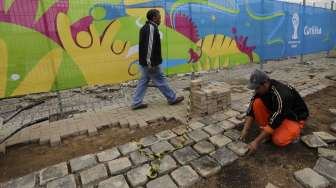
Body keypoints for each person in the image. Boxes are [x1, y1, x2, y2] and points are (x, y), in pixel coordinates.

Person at [240, 69, 309, 153]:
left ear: (265, 84)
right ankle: (266, 134)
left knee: (278, 140)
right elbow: (251, 110)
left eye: (257, 88)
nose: (255, 91)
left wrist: (255, 142)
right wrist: (245, 129)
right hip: (279, 112)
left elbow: (275, 121)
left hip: (293, 117)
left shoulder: (282, 95)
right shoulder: (261, 90)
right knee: (256, 103)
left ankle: (295, 133)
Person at [132, 9, 184, 110]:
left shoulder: (145, 27)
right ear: (154, 17)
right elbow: (149, 47)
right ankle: (172, 98)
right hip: (151, 63)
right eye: (159, 17)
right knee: (160, 80)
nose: (161, 19)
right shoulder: (151, 28)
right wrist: (149, 63)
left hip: (145, 61)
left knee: (143, 81)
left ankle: (136, 102)